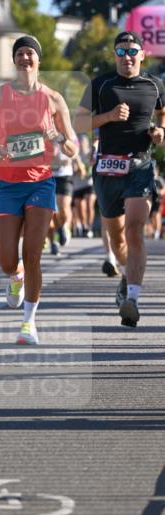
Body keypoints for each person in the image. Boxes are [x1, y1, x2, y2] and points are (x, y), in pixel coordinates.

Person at [0, 35, 77, 346]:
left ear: (39, 60)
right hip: (6, 183)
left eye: (30, 53)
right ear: (14, 60)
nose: (25, 59)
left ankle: (28, 323)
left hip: (40, 182)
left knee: (32, 254)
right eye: (19, 54)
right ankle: (15, 275)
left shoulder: (54, 99)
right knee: (9, 260)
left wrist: (56, 137)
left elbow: (72, 147)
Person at [73, 30, 165, 328]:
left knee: (136, 229)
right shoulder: (100, 85)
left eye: (132, 51)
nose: (127, 57)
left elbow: (163, 114)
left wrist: (160, 131)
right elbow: (79, 122)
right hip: (107, 169)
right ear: (115, 56)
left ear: (142, 54)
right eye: (121, 52)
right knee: (117, 239)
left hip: (140, 166)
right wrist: (109, 116)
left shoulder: (154, 84)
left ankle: (133, 300)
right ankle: (127, 277)